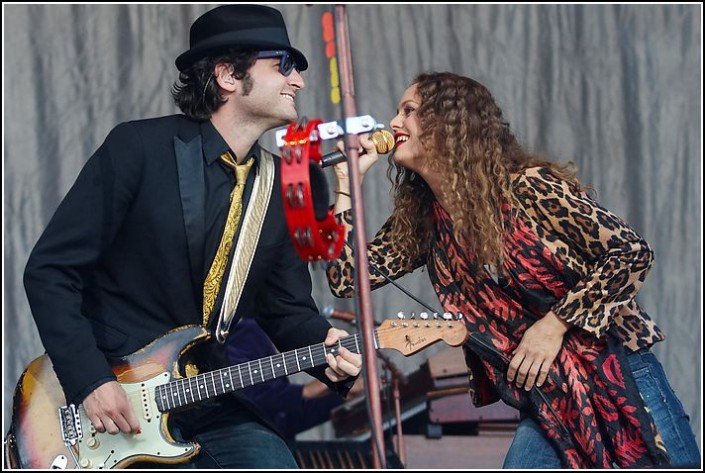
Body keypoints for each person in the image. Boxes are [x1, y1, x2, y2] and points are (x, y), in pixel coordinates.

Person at [22, 4, 361, 469]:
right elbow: (51, 271)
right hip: (110, 393)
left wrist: (327, 349)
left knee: (273, 462)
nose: (298, 80)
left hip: (205, 393)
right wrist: (89, 381)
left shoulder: (280, 187)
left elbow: (286, 309)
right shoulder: (138, 149)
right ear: (227, 74)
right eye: (282, 65)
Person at [325, 71, 701, 468]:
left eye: (409, 111)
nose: (394, 123)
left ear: (451, 123)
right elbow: (346, 277)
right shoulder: (425, 223)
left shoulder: (528, 188)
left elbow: (630, 253)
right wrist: (347, 184)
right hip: (547, 398)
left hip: (619, 371)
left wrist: (553, 325)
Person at [226, 317, 363, 441]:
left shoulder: (253, 331)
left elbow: (288, 419)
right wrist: (310, 390)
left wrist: (340, 397)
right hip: (241, 439)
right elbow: (243, 393)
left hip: (277, 442)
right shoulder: (242, 335)